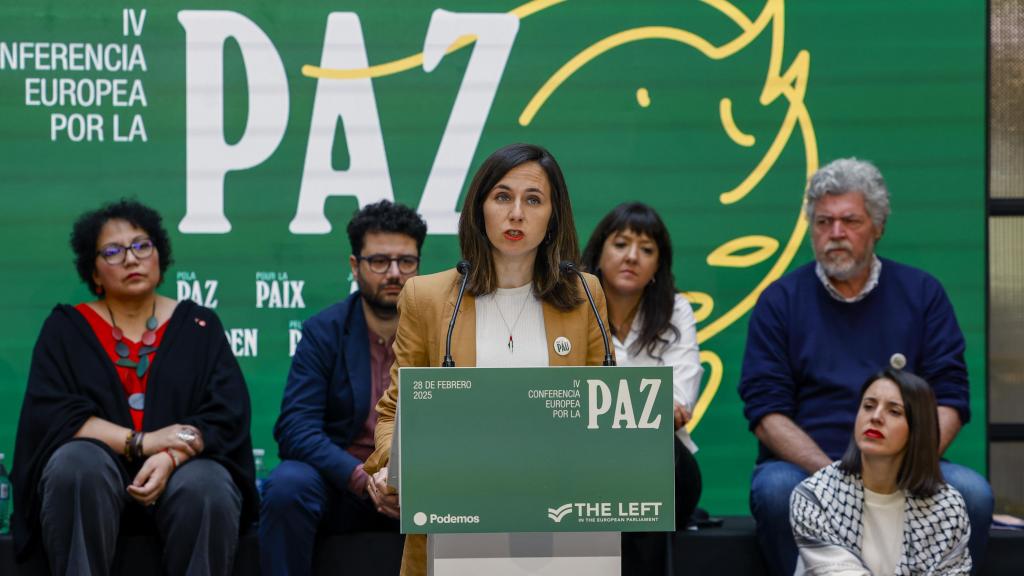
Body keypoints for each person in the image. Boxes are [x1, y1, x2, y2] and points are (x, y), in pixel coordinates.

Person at [362, 143, 611, 576]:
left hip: (557, 525)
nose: (516, 213)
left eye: (533, 200)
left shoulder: (585, 294)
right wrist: (389, 470)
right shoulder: (427, 297)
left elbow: (602, 414)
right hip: (455, 524)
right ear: (479, 210)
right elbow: (393, 413)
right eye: (502, 196)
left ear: (554, 216)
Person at [738, 157, 993, 576]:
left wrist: (906, 465)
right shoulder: (779, 301)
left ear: (878, 226)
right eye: (823, 222)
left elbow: (949, 399)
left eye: (850, 221)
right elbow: (766, 413)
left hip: (904, 461)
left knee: (972, 492)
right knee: (776, 489)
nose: (835, 234)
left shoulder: (923, 294)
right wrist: (837, 481)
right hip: (809, 463)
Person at [11, 199, 256, 575]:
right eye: (113, 251)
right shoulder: (66, 328)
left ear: (160, 255)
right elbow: (54, 415)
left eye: (142, 245)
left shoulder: (199, 326)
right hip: (92, 486)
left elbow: (225, 413)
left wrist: (171, 455)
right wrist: (142, 442)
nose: (131, 259)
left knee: (206, 483)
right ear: (93, 271)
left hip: (179, 474)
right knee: (77, 465)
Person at [259, 200, 427, 575]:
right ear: (355, 266)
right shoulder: (325, 331)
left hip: (419, 484)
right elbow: (295, 429)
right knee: (288, 485)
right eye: (379, 261)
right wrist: (361, 477)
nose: (395, 273)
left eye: (407, 262)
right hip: (345, 483)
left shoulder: (442, 330)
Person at [581, 202, 703, 575]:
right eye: (621, 244)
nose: (632, 257)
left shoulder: (676, 309)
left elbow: (680, 403)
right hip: (585, 466)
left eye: (646, 249)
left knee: (649, 453)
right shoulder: (572, 305)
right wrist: (645, 406)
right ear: (599, 252)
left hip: (668, 468)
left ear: (657, 267)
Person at [791, 368, 972, 575]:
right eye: (868, 406)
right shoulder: (815, 495)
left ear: (918, 429)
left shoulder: (948, 508)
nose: (875, 417)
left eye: (894, 411)